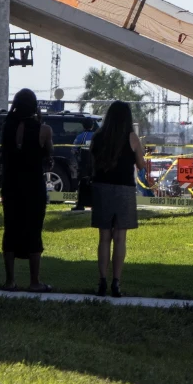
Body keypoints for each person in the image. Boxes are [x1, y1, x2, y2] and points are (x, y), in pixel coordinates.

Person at [90, 100, 149, 297]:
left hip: (102, 188)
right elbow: (141, 165)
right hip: (124, 189)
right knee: (120, 237)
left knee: (104, 237)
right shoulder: (132, 137)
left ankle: (102, 281)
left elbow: (93, 161)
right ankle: (116, 282)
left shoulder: (99, 137)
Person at [0, 88, 54, 292]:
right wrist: (40, 121)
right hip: (33, 187)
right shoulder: (44, 129)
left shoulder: (7, 126)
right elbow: (49, 158)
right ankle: (34, 281)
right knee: (34, 230)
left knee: (10, 229)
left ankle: (10, 280)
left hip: (11, 185)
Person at [71, 127, 95, 211]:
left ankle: (80, 205)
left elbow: (74, 149)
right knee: (94, 183)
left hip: (84, 163)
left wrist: (77, 158)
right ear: (92, 126)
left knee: (81, 183)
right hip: (95, 163)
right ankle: (94, 204)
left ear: (84, 126)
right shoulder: (96, 135)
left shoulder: (81, 136)